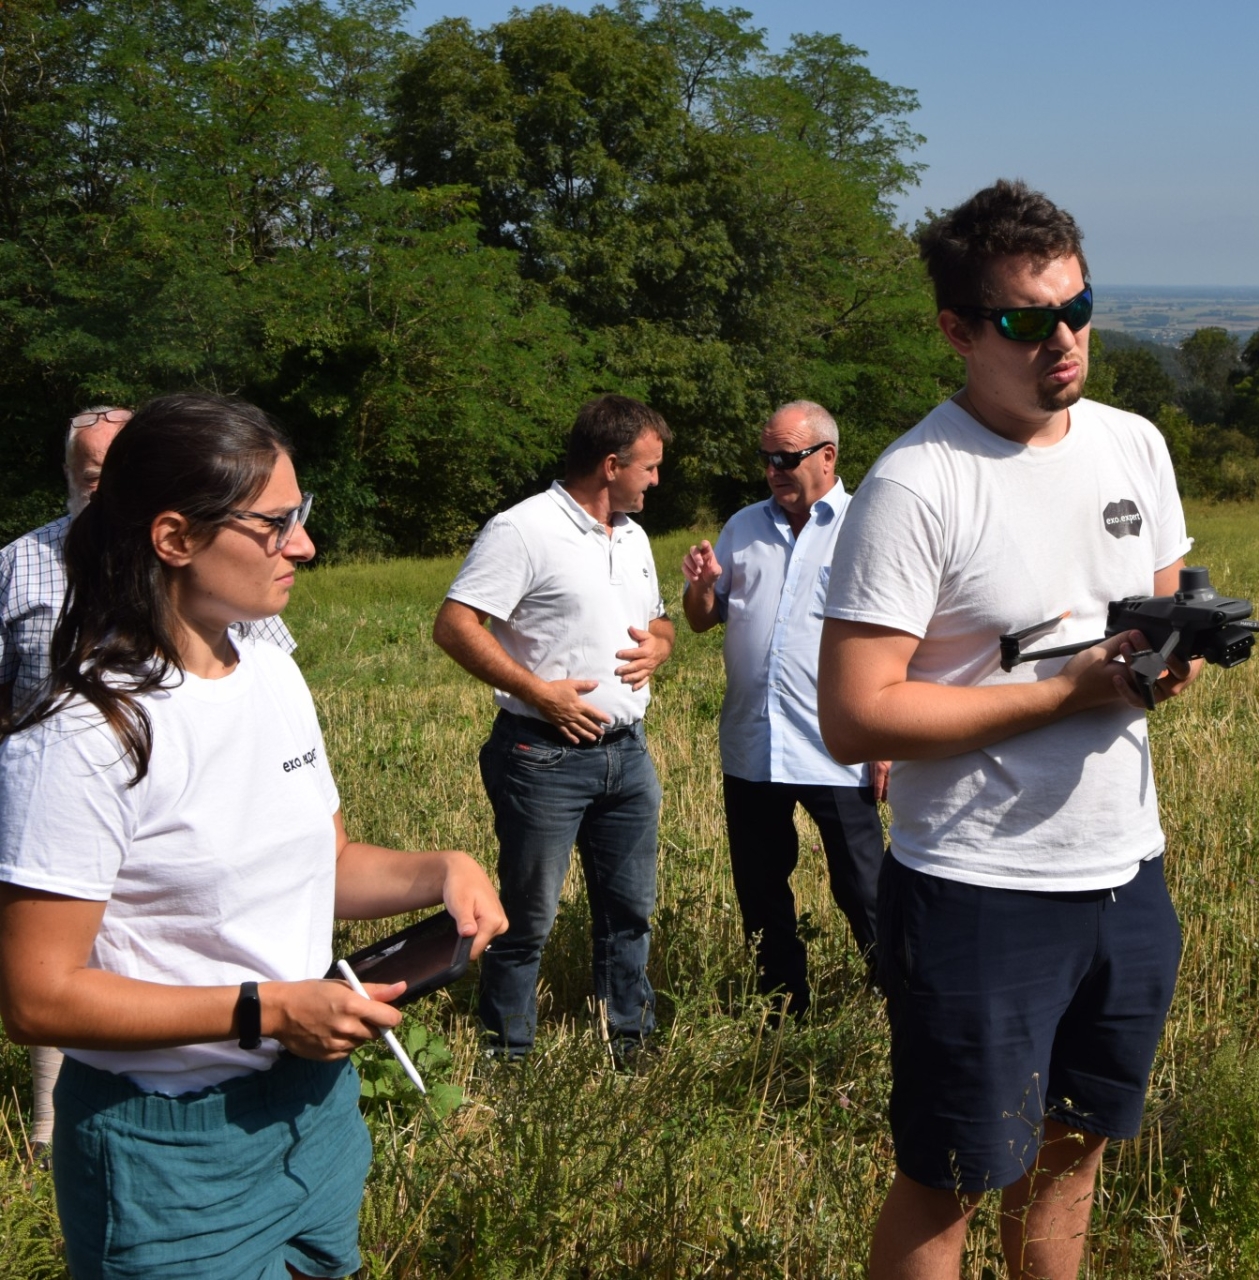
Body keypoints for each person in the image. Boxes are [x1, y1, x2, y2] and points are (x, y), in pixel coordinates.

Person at [0, 394, 506, 1280]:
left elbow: (327, 863)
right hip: (169, 1159)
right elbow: (38, 998)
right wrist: (267, 1010)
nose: (304, 545)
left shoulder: (270, 668)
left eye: (298, 517)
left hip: (316, 1117)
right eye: (276, 524)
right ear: (174, 538)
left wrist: (441, 869)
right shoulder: (84, 733)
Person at [818, 179, 1200, 1280]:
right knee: (950, 1175)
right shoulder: (917, 484)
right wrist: (1066, 694)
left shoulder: (1135, 445)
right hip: (979, 887)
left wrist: (1155, 674)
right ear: (957, 329)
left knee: (1072, 1156)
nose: (1065, 339)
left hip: (1126, 871)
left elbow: (1155, 615)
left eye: (1079, 307)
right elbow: (856, 714)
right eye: (1029, 321)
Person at [0, 405, 297, 1156]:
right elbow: (41, 993)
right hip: (62, 817)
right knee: (76, 964)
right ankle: (48, 1122)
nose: (301, 546)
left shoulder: (257, 650)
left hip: (284, 1091)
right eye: (94, 473)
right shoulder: (23, 577)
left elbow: (255, 696)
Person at [434, 394, 675, 1062]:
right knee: (528, 917)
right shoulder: (523, 530)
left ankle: (628, 1040)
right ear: (609, 464)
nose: (657, 481)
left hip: (628, 755)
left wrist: (663, 643)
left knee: (629, 910)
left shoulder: (631, 535)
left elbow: (656, 621)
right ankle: (507, 1054)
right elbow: (454, 625)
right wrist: (539, 693)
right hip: (543, 755)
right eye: (649, 468)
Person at [681, 401, 889, 1022]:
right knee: (762, 890)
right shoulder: (743, 525)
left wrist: (887, 738)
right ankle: (783, 1009)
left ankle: (900, 999)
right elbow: (701, 619)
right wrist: (700, 584)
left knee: (865, 888)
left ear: (827, 457)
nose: (773, 469)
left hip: (839, 743)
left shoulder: (867, 524)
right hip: (754, 744)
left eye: (786, 458)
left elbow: (901, 636)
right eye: (767, 457)